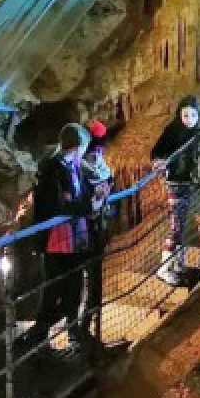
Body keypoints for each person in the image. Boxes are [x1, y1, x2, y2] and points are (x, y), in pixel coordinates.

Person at [24, 123, 102, 352]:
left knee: (74, 285)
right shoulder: (53, 168)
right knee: (55, 288)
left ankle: (71, 331)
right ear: (77, 146)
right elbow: (58, 205)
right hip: (57, 239)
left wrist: (95, 194)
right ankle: (42, 335)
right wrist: (88, 205)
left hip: (75, 236)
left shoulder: (73, 166)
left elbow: (78, 193)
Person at [150, 96, 200, 286]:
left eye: (192, 115)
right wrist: (159, 162)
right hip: (175, 183)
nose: (188, 119)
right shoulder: (173, 131)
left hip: (188, 183)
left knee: (182, 225)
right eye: (185, 115)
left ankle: (179, 265)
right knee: (176, 226)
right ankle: (163, 269)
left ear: (199, 116)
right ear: (179, 115)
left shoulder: (199, 132)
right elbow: (156, 151)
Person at [81, 119, 114, 343]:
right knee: (89, 277)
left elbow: (106, 177)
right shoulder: (84, 162)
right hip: (86, 226)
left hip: (95, 223)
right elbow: (100, 179)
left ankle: (87, 324)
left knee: (93, 276)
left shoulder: (94, 158)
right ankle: (83, 326)